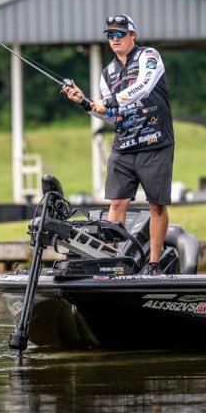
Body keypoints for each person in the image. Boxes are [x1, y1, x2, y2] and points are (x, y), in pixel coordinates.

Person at [61, 14, 174, 276]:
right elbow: (111, 115)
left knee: (156, 205)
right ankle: (110, 264)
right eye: (110, 35)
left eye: (120, 34)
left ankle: (154, 264)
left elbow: (144, 87)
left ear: (133, 35)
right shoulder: (107, 73)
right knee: (116, 203)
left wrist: (110, 102)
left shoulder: (149, 56)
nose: (115, 39)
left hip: (155, 142)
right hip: (123, 145)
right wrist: (85, 103)